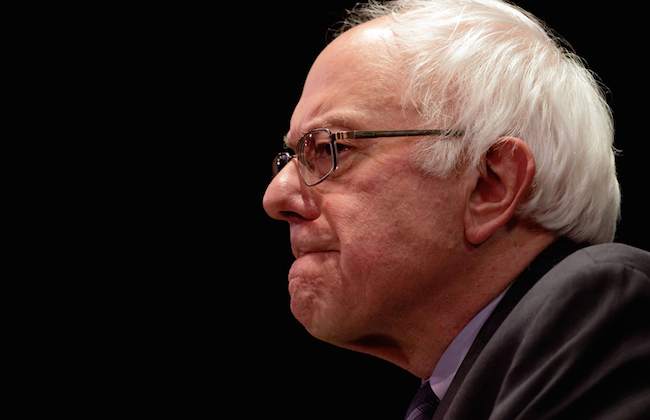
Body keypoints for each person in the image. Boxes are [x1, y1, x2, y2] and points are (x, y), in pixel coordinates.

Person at [262, 0, 650, 418]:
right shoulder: (464, 387)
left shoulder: (598, 315)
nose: (276, 197)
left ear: (489, 186)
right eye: (290, 158)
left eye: (329, 148)